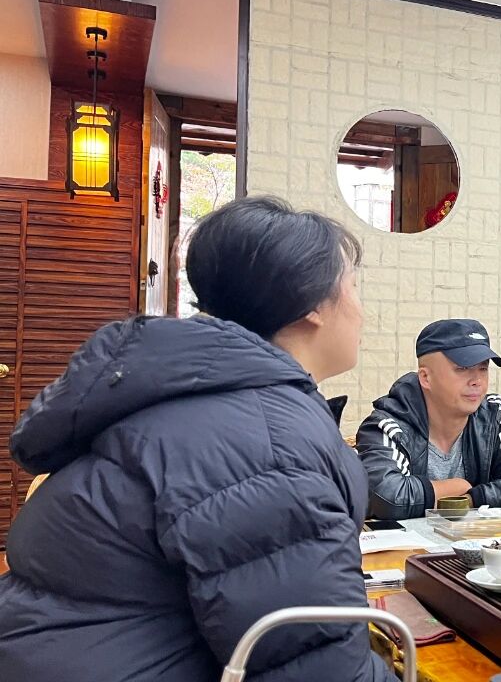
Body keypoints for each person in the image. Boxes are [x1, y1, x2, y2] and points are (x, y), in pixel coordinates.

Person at [0, 196, 396, 681]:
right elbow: (316, 668)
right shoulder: (265, 443)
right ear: (311, 305)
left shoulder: (201, 398)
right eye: (353, 288)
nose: (361, 312)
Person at [356, 319, 501, 519]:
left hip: (479, 538)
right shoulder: (388, 425)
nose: (477, 381)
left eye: (483, 368)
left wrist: (470, 498)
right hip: (408, 541)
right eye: (462, 368)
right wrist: (456, 487)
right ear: (426, 377)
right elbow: (385, 497)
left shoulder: (494, 415)